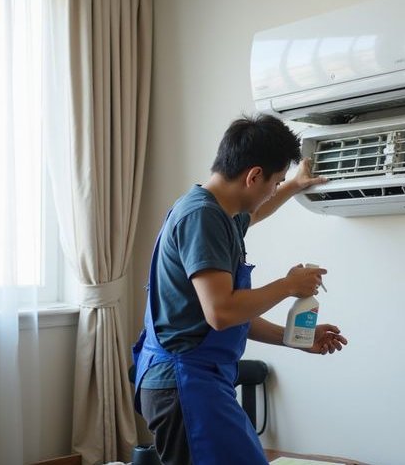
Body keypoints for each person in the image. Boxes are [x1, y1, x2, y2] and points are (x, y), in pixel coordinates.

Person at [132, 114, 348, 465]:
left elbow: (232, 313)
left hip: (195, 378)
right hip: (184, 381)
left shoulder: (219, 215)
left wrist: (295, 338)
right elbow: (222, 312)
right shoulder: (202, 218)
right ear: (254, 176)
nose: (273, 191)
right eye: (275, 182)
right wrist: (288, 286)